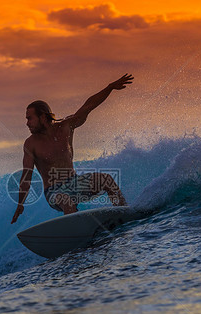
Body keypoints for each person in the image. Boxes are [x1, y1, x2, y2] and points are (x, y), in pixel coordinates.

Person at [11, 74, 134, 224]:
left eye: (30, 118)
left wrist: (109, 88)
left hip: (75, 182)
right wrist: (20, 204)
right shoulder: (30, 144)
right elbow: (26, 177)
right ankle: (79, 235)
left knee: (106, 179)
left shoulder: (65, 127)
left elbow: (88, 106)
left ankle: (123, 213)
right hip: (54, 192)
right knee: (66, 200)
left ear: (43, 117)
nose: (27, 123)